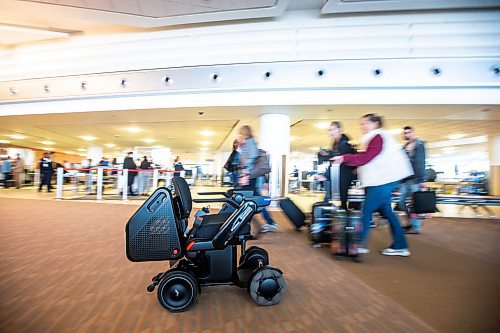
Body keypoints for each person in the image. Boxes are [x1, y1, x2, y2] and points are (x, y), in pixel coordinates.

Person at [331, 114, 414, 257]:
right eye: (362, 124)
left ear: (375, 123)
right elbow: (371, 158)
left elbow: (368, 157)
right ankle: (400, 245)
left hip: (382, 181)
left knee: (366, 211)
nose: (363, 127)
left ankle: (358, 244)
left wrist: (344, 158)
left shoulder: (378, 137)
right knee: (387, 212)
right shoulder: (379, 137)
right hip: (385, 180)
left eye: (366, 123)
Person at [237, 125, 277, 232]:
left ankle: (268, 223)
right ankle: (264, 223)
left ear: (245, 132)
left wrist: (246, 170)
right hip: (250, 177)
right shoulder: (247, 143)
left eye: (241, 132)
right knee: (251, 200)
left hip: (251, 177)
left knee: (253, 200)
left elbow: (253, 155)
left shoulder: (250, 142)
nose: (240, 134)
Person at [317, 121, 356, 210]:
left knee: (342, 198)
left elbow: (341, 160)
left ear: (340, 129)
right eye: (330, 130)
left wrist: (326, 175)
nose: (331, 132)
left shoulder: (344, 144)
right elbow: (334, 161)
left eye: (334, 129)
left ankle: (343, 216)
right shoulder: (336, 143)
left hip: (344, 173)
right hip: (340, 173)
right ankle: (341, 214)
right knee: (338, 197)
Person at [398, 126, 426, 234]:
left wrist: (422, 179)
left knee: (414, 204)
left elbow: (421, 162)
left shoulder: (419, 145)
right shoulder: (404, 147)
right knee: (401, 202)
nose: (406, 135)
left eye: (408, 132)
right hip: (406, 179)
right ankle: (412, 222)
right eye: (405, 133)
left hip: (416, 179)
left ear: (412, 132)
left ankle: (415, 226)